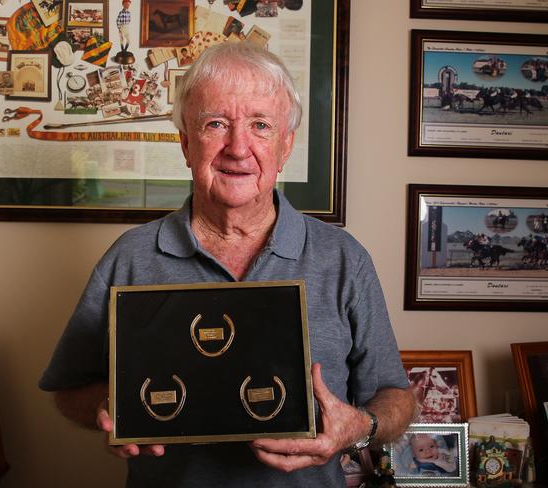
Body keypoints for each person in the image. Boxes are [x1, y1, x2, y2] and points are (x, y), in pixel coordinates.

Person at [39, 42, 415, 487]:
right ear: (185, 143)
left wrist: (359, 428)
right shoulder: (131, 256)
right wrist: (110, 404)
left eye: (260, 125)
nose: (238, 148)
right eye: (216, 123)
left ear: (286, 145)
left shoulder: (343, 258)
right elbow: (68, 391)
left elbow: (397, 398)